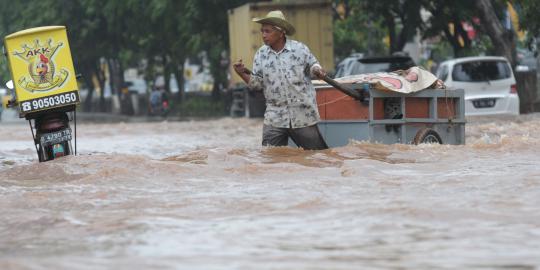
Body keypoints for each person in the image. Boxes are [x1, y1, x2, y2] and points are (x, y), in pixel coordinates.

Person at [232, 10, 328, 150]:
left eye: (267, 31)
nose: (263, 35)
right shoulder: (261, 55)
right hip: (275, 118)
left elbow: (313, 65)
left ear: (281, 32)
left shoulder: (299, 49)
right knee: (270, 160)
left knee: (317, 157)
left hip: (303, 116)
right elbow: (257, 84)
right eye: (262, 31)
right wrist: (241, 73)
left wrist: (317, 70)